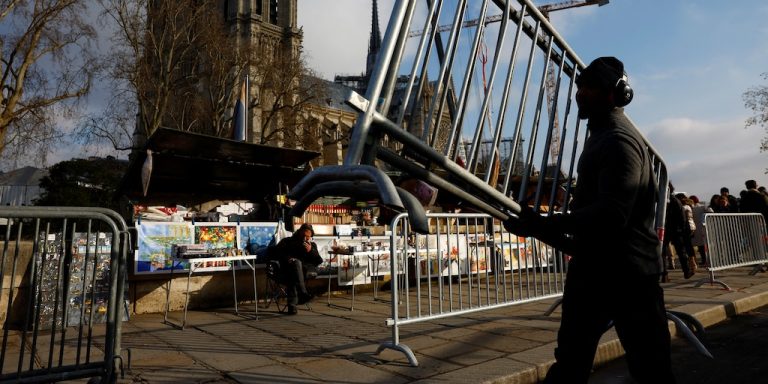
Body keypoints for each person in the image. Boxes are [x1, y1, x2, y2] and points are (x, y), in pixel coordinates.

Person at [504, 57, 674, 383]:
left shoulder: (619, 142)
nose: (580, 95)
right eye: (580, 88)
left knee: (650, 368)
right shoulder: (602, 137)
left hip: (628, 276)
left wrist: (545, 223)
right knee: (571, 362)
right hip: (596, 269)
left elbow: (611, 215)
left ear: (617, 93)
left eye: (590, 88)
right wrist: (539, 225)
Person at [272, 223, 323, 314]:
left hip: (302, 272)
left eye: (307, 237)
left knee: (293, 274)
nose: (304, 239)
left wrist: (311, 251)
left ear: (310, 237)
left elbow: (319, 261)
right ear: (299, 232)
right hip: (286, 270)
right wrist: (288, 259)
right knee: (295, 265)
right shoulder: (287, 242)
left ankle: (292, 306)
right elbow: (275, 254)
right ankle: (302, 293)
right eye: (303, 236)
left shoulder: (312, 246)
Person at [690, 195, 712, 266]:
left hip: (697, 228)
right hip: (700, 228)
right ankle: (705, 261)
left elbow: (710, 211)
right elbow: (711, 211)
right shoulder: (702, 206)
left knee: (701, 246)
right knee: (702, 246)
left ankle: (704, 261)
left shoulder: (694, 207)